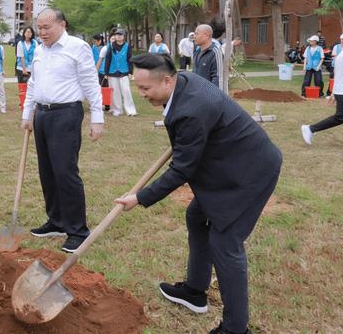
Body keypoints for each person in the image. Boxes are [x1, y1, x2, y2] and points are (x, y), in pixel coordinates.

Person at [117, 53, 281, 334]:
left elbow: (181, 171)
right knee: (197, 216)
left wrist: (140, 198)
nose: (140, 94)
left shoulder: (191, 110)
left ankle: (235, 329)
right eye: (138, 87)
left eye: (145, 89)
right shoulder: (186, 82)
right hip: (228, 166)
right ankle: (195, 292)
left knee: (225, 242)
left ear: (167, 80)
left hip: (250, 173)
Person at [21, 8, 104, 254]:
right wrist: (28, 114)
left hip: (66, 115)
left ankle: (78, 231)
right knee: (47, 172)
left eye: (47, 28)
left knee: (66, 172)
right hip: (42, 115)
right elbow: (33, 83)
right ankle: (56, 221)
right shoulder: (38, 49)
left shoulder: (78, 48)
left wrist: (97, 117)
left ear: (62, 25)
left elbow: (91, 81)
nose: (42, 32)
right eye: (39, 28)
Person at [302, 44, 343, 145]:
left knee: (341, 117)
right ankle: (310, 129)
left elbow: (339, 74)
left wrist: (333, 93)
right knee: (340, 117)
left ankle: (310, 129)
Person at [104, 29, 137, 117]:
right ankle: (117, 110)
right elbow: (107, 59)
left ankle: (130, 110)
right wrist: (106, 73)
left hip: (124, 71)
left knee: (126, 90)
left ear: (123, 36)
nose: (118, 36)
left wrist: (130, 72)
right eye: (117, 35)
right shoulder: (111, 46)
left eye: (120, 35)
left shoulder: (127, 46)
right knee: (115, 92)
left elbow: (130, 59)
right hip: (112, 72)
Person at [192, 24, 223, 88]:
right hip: (196, 95)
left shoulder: (215, 53)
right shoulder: (197, 53)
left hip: (209, 96)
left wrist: (212, 96)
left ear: (207, 36)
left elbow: (218, 79)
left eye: (197, 34)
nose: (194, 37)